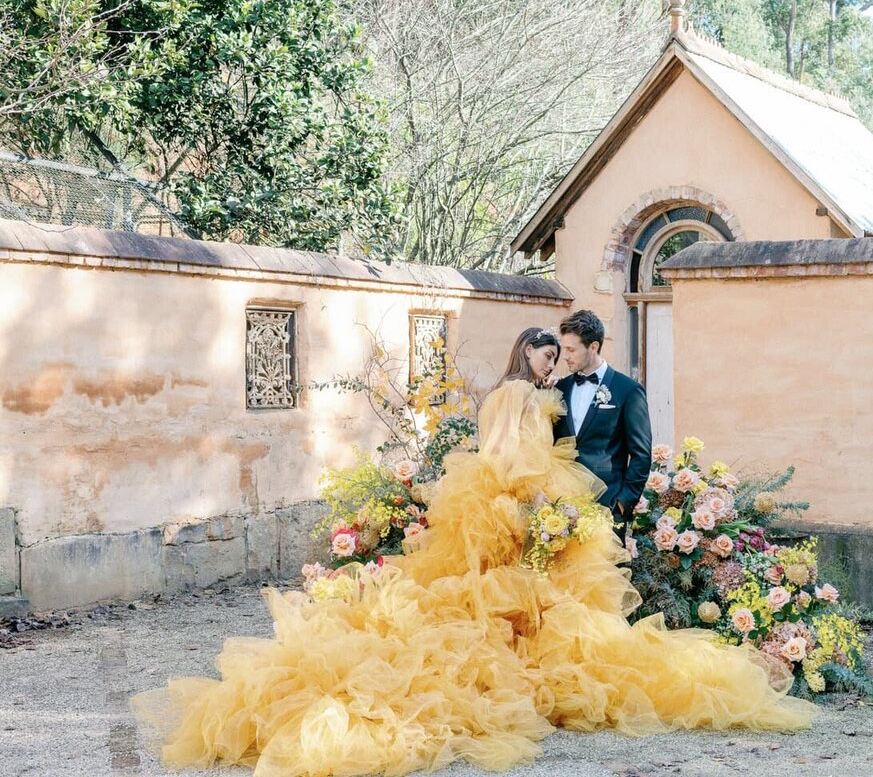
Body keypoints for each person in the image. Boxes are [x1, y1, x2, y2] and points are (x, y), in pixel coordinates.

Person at [132, 327, 811, 777]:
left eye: (561, 356)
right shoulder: (520, 393)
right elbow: (512, 458)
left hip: (533, 499)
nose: (557, 365)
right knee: (515, 592)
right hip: (515, 500)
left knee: (526, 595)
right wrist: (536, 503)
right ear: (533, 355)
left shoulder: (533, 393)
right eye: (550, 356)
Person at [553, 310, 651, 544]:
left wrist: (622, 504)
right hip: (560, 507)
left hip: (606, 506)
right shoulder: (560, 389)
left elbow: (641, 454)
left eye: (571, 350)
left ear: (593, 346)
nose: (564, 357)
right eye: (563, 349)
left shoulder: (627, 390)